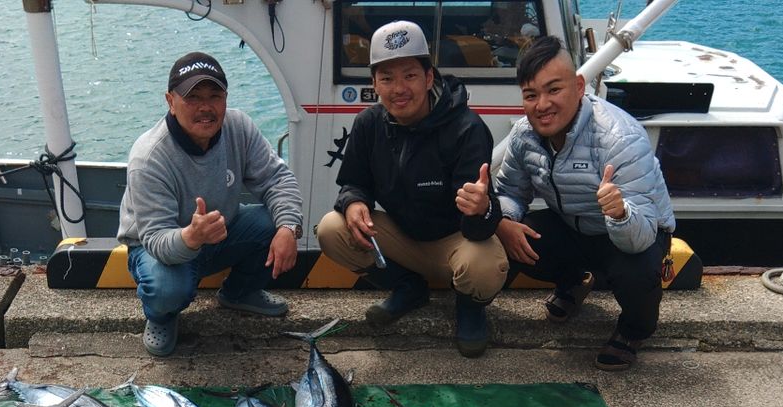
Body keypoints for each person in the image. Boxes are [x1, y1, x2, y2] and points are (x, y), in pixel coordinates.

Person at [316, 21, 509, 358]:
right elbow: (354, 183)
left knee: (486, 265)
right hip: (403, 237)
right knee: (332, 229)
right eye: (387, 78)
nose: (398, 88)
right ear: (374, 83)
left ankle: (470, 307)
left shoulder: (468, 129)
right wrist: (353, 203)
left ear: (429, 77)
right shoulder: (368, 124)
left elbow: (479, 226)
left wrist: (483, 208)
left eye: (409, 75)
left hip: (455, 241)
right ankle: (408, 287)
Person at [489, 35, 675, 371]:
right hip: (572, 224)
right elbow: (511, 193)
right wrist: (505, 222)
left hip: (635, 232)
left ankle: (634, 330)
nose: (542, 104)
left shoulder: (620, 137)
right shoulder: (523, 135)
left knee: (637, 270)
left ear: (578, 86)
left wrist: (619, 212)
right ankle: (574, 281)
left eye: (553, 90)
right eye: (531, 95)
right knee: (510, 240)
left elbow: (643, 234)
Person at [117, 52, 304, 357]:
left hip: (218, 231)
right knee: (166, 290)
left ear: (225, 99)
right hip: (158, 247)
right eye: (193, 98)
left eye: (214, 96)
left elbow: (278, 180)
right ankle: (161, 317)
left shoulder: (239, 127)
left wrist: (288, 227)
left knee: (276, 224)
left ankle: (237, 292)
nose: (206, 108)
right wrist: (191, 236)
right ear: (170, 101)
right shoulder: (148, 157)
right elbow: (154, 239)